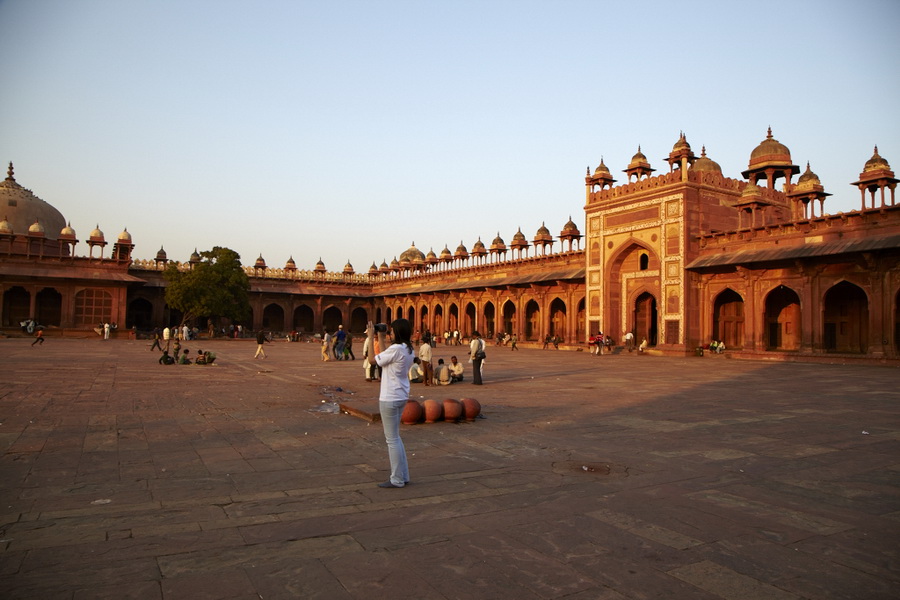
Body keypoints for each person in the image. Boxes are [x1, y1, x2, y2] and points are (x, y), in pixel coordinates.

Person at [367, 318, 415, 489]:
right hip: (401, 395)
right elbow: (384, 357)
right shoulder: (408, 349)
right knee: (396, 437)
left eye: (392, 331)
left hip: (390, 397)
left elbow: (373, 360)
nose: (390, 333)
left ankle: (397, 479)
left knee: (392, 439)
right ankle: (404, 475)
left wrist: (370, 338)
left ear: (398, 332)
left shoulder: (396, 349)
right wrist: (380, 337)